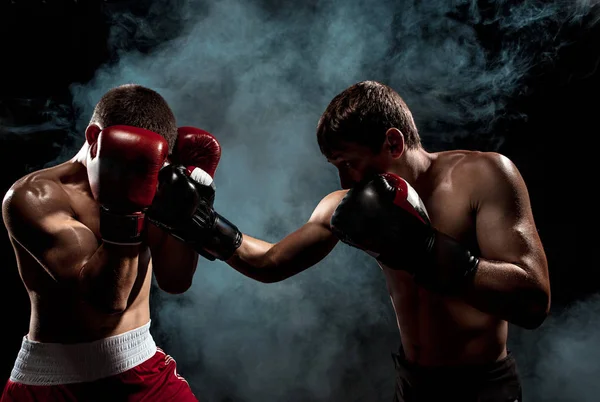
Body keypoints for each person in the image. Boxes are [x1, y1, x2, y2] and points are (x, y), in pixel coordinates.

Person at [176, 81, 551, 401]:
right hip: (412, 386)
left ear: (392, 142)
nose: (343, 183)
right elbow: (271, 262)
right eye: (336, 167)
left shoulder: (481, 175)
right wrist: (199, 222)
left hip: (483, 388)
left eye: (348, 163)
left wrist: (425, 250)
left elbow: (533, 299)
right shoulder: (349, 204)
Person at [1, 84, 222, 401]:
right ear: (93, 139)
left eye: (146, 168)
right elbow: (108, 299)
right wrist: (126, 209)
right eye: (125, 163)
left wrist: (192, 208)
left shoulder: (156, 180)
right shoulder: (34, 197)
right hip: (55, 383)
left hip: (143, 368)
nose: (138, 176)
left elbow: (175, 279)